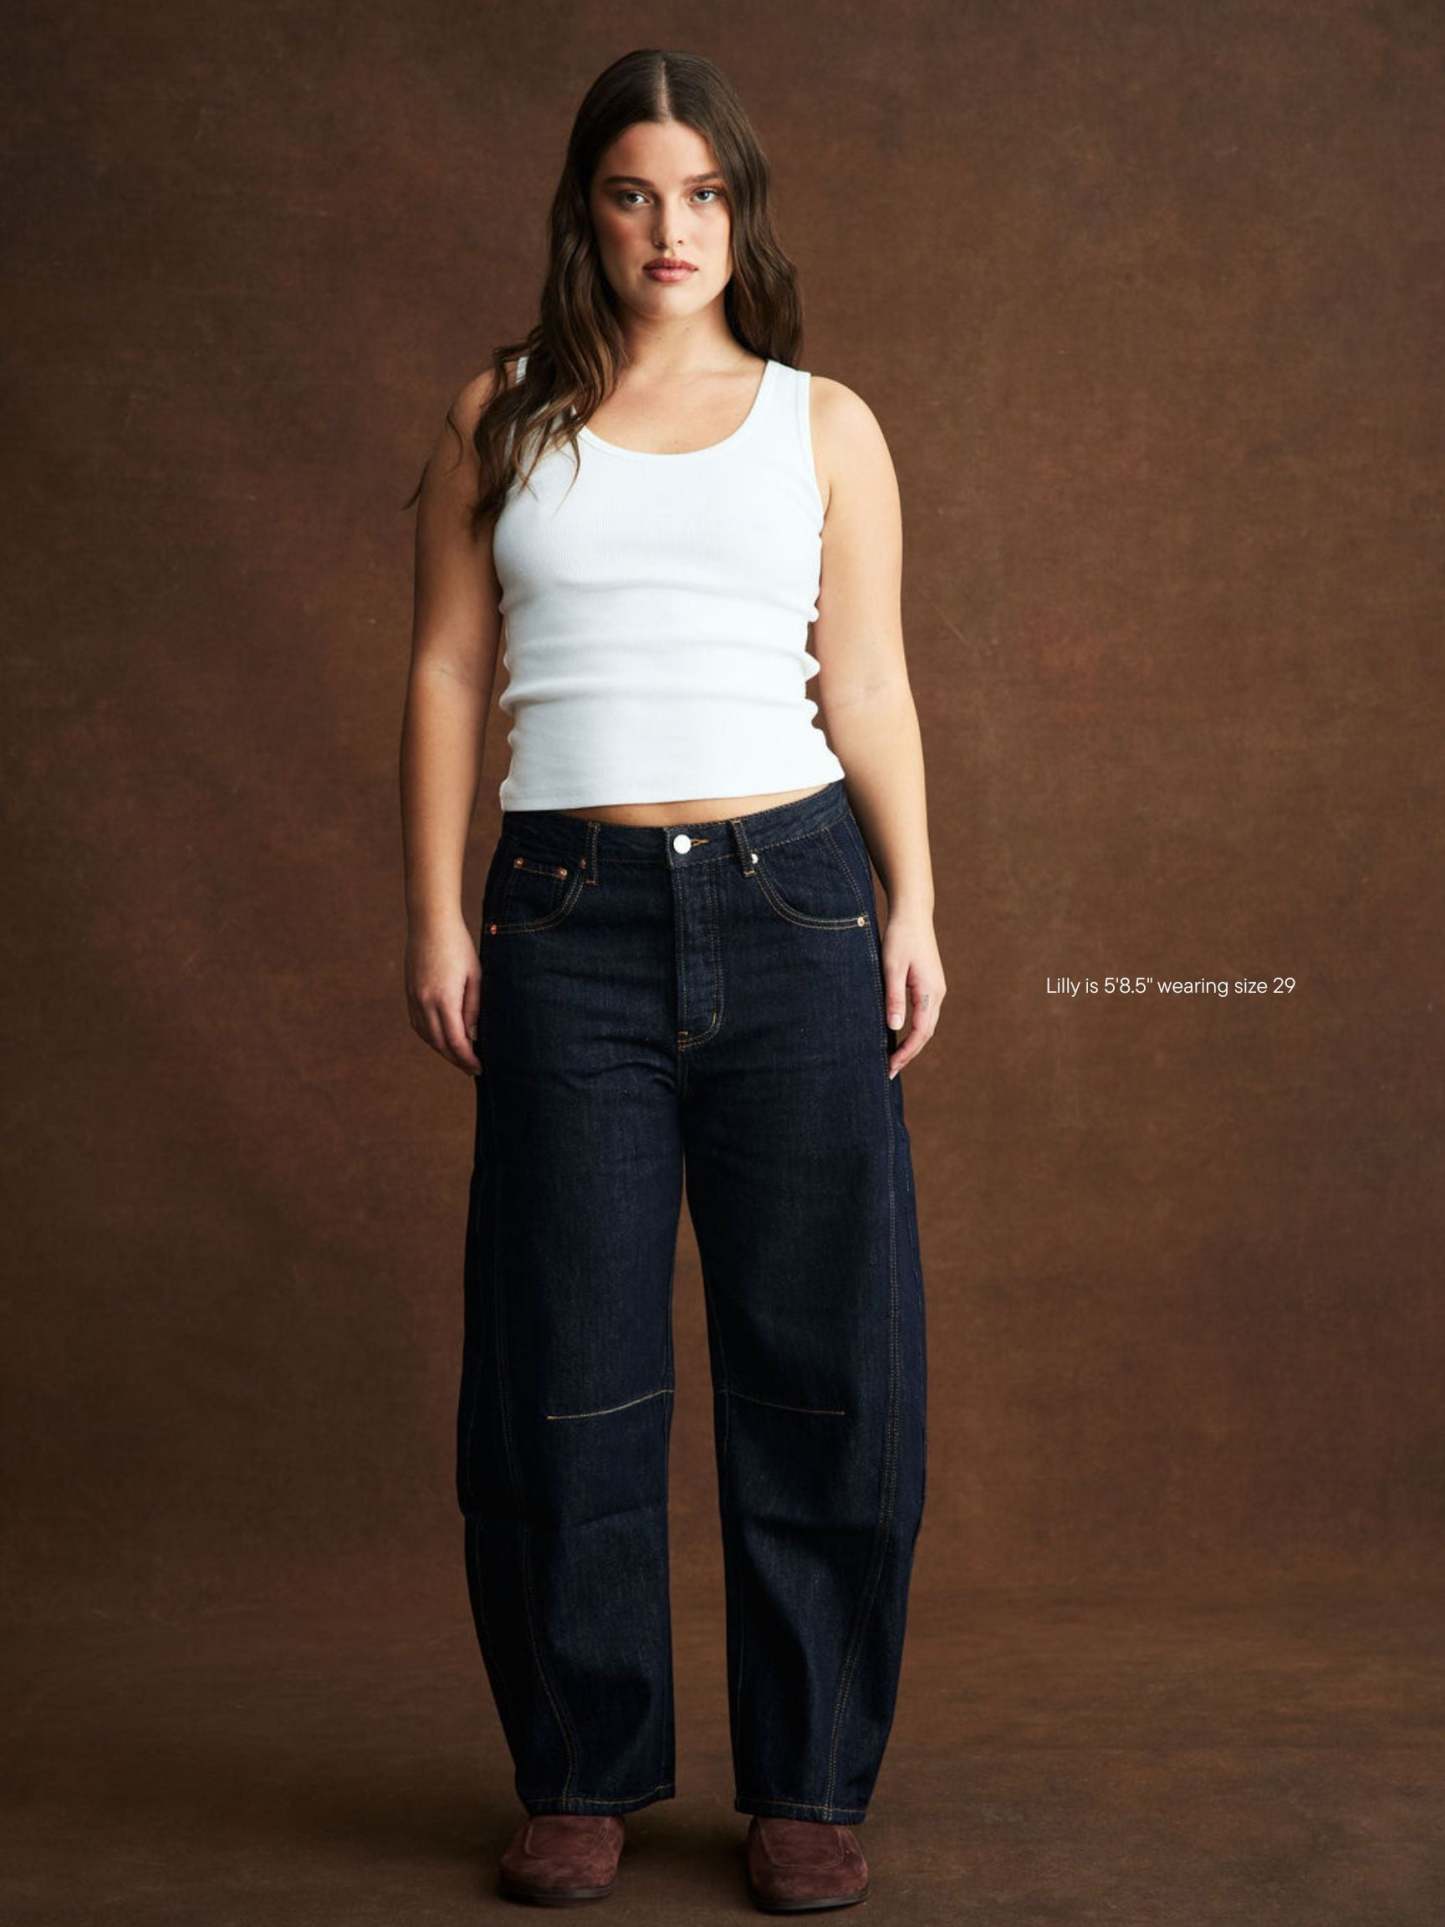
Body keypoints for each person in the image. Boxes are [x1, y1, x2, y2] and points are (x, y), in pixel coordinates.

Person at [400, 47, 944, 1913]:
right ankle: (580, 1770)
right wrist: (436, 917)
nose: (670, 228)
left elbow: (866, 680)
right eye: (634, 192)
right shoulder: (501, 414)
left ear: (739, 212)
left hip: (794, 901)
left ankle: (808, 1779)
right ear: (587, 210)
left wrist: (914, 903)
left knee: (823, 1365)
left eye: (702, 193)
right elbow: (447, 671)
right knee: (563, 1360)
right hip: (567, 914)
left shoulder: (823, 424)